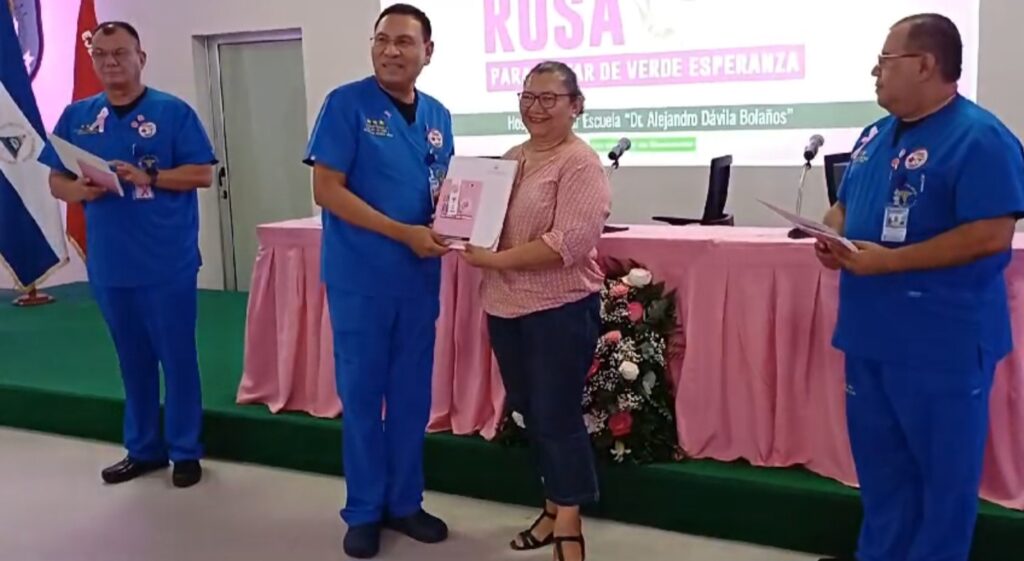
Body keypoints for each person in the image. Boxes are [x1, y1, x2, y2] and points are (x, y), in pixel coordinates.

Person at [815, 13, 1024, 561]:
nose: (875, 72)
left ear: (926, 64)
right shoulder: (872, 135)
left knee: (942, 486)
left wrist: (893, 263)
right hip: (870, 337)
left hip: (941, 343)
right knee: (882, 479)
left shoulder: (981, 138)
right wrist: (832, 235)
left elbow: (991, 235)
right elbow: (844, 205)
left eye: (885, 61)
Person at [302, 4, 453, 559]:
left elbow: (444, 190)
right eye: (382, 39)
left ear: (427, 52)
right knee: (363, 398)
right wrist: (401, 233)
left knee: (412, 398)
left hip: (418, 279)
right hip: (361, 278)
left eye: (405, 42)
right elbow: (327, 190)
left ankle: (405, 502)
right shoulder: (346, 104)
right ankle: (364, 509)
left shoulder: (438, 115)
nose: (391, 50)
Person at [38, 22, 217, 488]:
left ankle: (186, 450)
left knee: (177, 358)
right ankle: (143, 449)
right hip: (111, 263)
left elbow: (202, 174)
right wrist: (77, 190)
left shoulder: (173, 112)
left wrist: (150, 177)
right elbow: (55, 179)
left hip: (166, 260)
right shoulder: (78, 116)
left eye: (120, 53)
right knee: (131, 359)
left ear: (141, 57)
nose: (110, 62)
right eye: (100, 54)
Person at [460, 61, 611, 561]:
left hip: (559, 308)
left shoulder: (580, 163)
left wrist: (495, 260)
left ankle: (568, 522)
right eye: (528, 97)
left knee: (556, 413)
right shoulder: (512, 157)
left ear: (576, 106)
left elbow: (568, 242)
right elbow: (489, 222)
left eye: (549, 98)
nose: (536, 108)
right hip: (505, 307)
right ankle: (552, 506)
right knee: (530, 411)